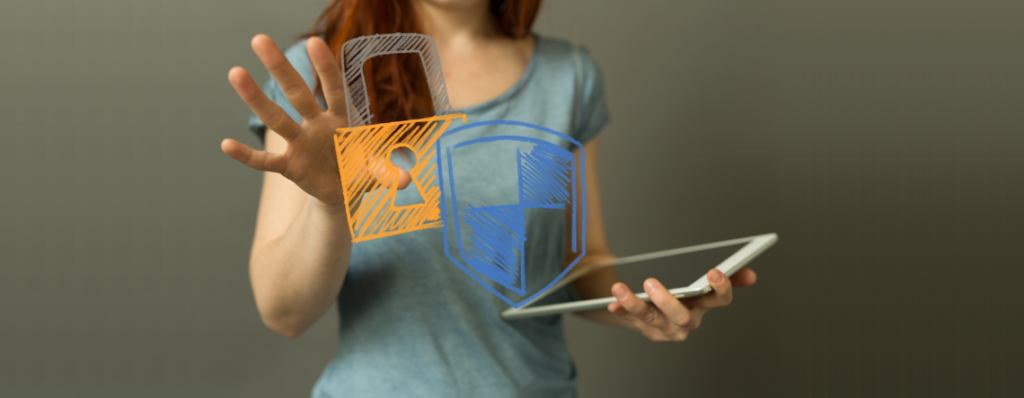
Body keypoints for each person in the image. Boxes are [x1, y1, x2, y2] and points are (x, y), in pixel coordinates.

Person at [220, 0, 757, 396]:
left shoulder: (567, 78)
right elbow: (283, 313)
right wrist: (331, 205)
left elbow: (580, 265)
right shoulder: (323, 81)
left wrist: (649, 306)